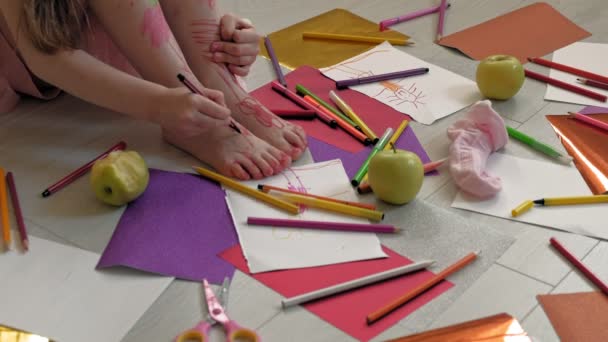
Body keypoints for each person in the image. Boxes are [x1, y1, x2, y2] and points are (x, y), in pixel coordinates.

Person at [0, 0, 307, 180]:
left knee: (211, 74)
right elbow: (46, 57)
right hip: (37, 48)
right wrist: (159, 105)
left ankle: (217, 87)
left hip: (119, 36)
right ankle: (196, 120)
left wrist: (225, 40)